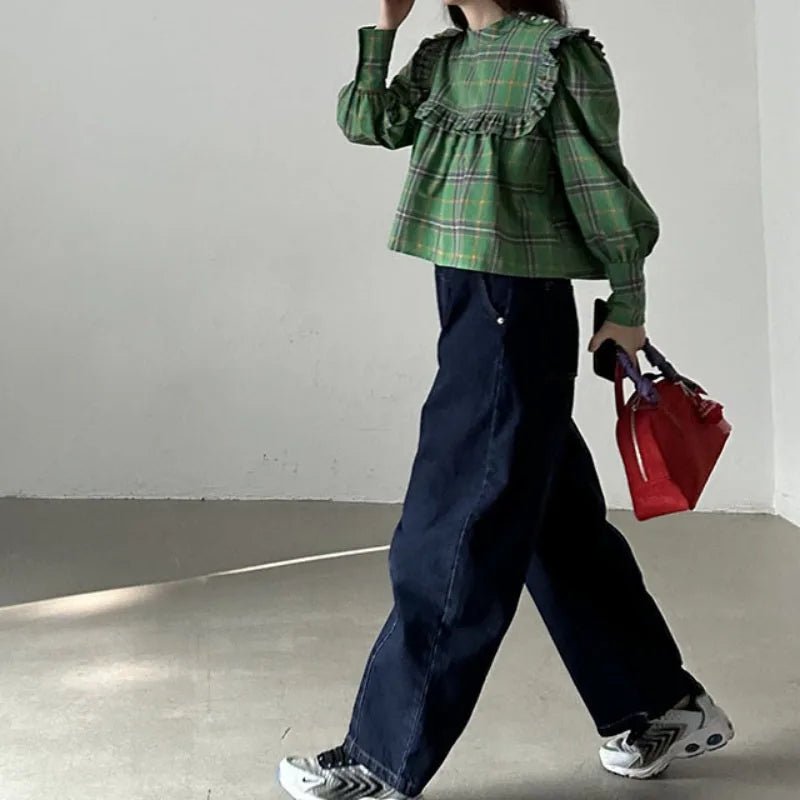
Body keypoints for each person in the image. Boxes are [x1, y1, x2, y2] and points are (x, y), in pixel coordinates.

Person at [279, 1, 734, 798]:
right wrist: (383, 28)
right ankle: (657, 707)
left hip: (515, 312)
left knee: (453, 525)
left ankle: (383, 756)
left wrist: (627, 305)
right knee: (554, 525)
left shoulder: (557, 57)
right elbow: (366, 122)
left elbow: (603, 188)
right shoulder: (442, 58)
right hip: (467, 302)